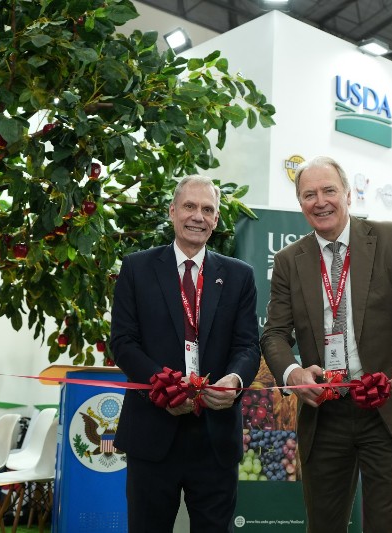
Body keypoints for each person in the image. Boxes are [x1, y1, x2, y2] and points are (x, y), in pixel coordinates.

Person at [260, 156, 392, 533]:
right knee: (323, 526)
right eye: (309, 194)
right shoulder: (288, 261)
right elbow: (274, 334)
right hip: (325, 413)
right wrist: (293, 372)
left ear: (348, 194)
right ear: (300, 203)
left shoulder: (390, 239)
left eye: (329, 190)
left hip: (388, 409)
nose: (320, 201)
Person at [111, 175, 261, 532]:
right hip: (152, 432)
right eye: (189, 206)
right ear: (172, 211)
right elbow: (123, 342)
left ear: (217, 219)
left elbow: (247, 345)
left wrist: (234, 380)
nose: (198, 216)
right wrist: (163, 389)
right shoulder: (136, 268)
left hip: (215, 437)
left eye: (207, 209)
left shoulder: (239, 276)